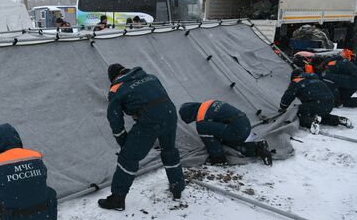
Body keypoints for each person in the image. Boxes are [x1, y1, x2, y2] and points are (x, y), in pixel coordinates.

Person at [98, 64, 185, 211]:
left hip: (150, 119)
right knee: (169, 150)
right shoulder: (150, 77)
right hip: (170, 114)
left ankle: (117, 199)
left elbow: (115, 120)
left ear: (112, 78)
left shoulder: (116, 89)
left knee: (128, 158)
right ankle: (177, 188)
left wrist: (123, 142)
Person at [179, 100, 273, 166]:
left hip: (237, 130)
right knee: (227, 144)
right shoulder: (209, 103)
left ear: (190, 115)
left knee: (204, 130)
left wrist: (215, 154)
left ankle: (219, 159)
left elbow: (209, 138)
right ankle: (258, 147)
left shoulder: (201, 121)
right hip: (245, 123)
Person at [280, 68, 352, 134]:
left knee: (298, 111)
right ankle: (338, 120)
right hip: (330, 103)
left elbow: (288, 96)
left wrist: (283, 107)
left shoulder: (296, 81)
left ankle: (311, 123)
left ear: (294, 76)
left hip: (316, 103)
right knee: (320, 115)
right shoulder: (315, 79)